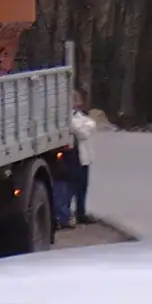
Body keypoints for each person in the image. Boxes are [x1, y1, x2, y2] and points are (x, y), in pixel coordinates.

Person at [67, 93, 95, 226]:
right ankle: (66, 214)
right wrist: (82, 128)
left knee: (83, 187)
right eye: (75, 101)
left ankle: (81, 213)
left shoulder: (81, 117)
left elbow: (90, 126)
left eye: (78, 101)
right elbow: (81, 130)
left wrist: (81, 128)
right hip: (72, 158)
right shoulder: (68, 118)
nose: (78, 104)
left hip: (84, 158)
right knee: (70, 188)